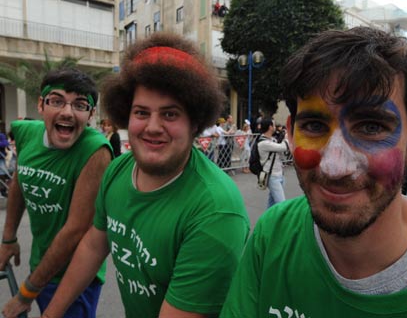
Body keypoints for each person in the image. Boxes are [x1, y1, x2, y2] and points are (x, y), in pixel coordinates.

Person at [220, 27, 407, 317]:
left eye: (371, 127)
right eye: (314, 126)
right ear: (290, 134)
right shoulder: (273, 233)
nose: (334, 167)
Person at [42, 32, 249, 318]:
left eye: (170, 114)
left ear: (195, 122)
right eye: (141, 112)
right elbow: (93, 245)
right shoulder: (118, 170)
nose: (152, 126)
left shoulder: (215, 211)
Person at [0, 68, 113, 318]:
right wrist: (9, 239)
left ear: (91, 115)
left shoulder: (96, 151)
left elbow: (75, 230)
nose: (67, 112)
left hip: (74, 277)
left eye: (80, 105)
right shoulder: (26, 132)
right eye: (57, 100)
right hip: (40, 265)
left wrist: (25, 293)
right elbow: (21, 178)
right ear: (41, 105)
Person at [257, 119, 289, 208]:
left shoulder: (272, 140)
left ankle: (266, 220)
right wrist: (286, 138)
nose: (276, 127)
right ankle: (282, 221)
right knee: (282, 204)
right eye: (274, 125)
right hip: (272, 176)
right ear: (270, 127)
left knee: (272, 204)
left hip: (279, 174)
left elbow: (281, 154)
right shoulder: (263, 143)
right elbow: (283, 147)